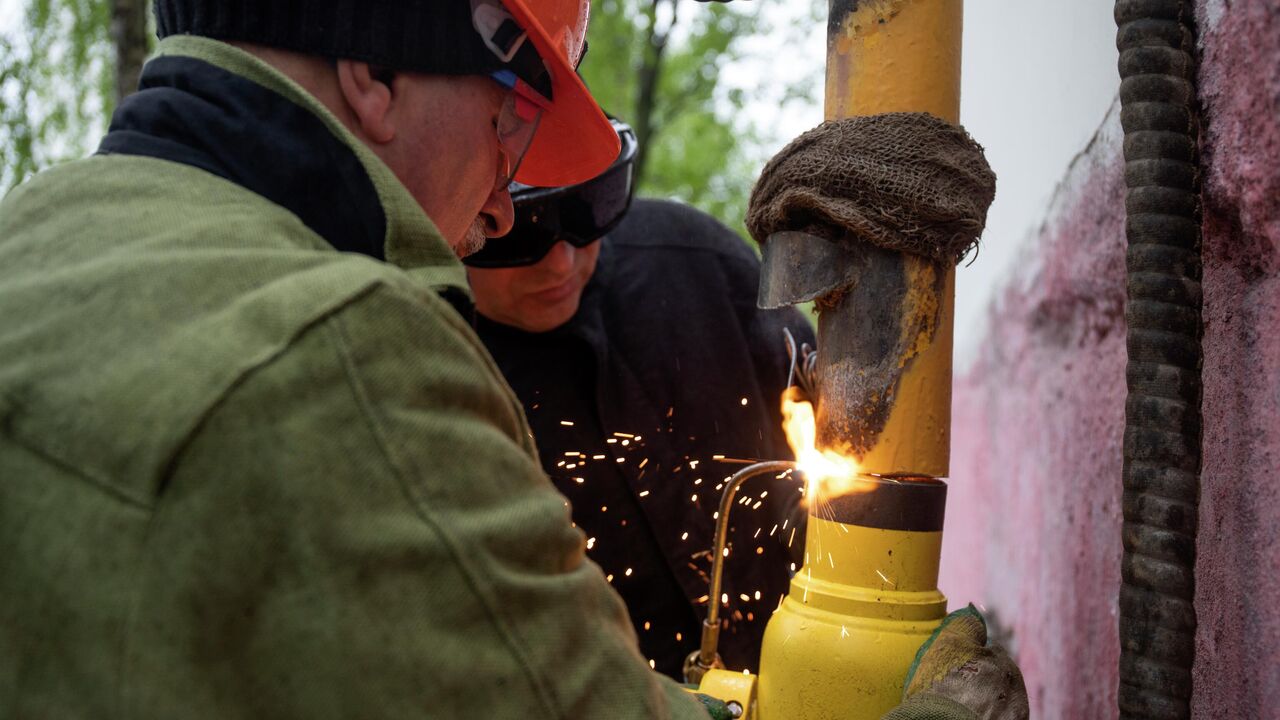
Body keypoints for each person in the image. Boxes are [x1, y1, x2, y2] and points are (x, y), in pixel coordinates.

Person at [0, 2, 731, 717]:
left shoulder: (33, 226)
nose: (505, 210)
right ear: (375, 72)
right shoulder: (351, 349)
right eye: (505, 125)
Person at [465, 118, 816, 679]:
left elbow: (839, 430)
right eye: (523, 239)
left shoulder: (695, 262)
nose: (559, 264)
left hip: (805, 659)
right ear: (462, 227)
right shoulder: (442, 369)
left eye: (581, 218)